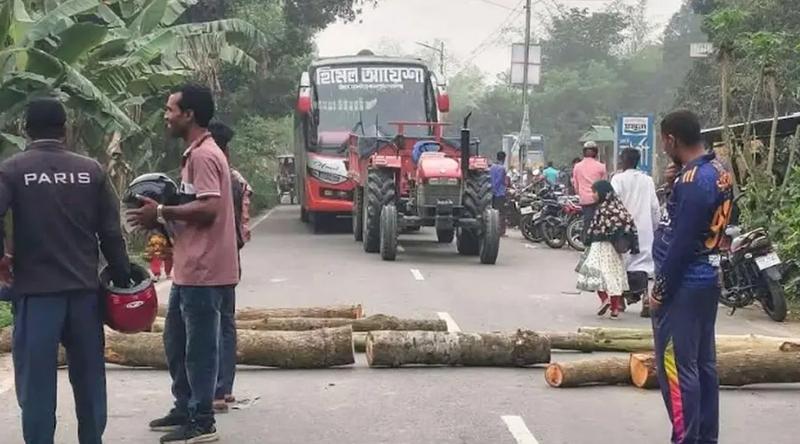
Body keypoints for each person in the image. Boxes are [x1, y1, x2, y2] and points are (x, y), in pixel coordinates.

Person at [0, 98, 131, 444]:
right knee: (89, 381)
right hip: (85, 294)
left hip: (36, 295)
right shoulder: (91, 170)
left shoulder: (12, 170)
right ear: (65, 129)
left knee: (37, 385)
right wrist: (121, 276)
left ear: (26, 130)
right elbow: (112, 232)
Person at [128, 84, 239, 443]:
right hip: (190, 269)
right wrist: (164, 219)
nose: (166, 114)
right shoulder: (195, 153)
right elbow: (195, 208)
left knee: (199, 349)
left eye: (170, 108)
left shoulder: (205, 155)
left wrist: (160, 210)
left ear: (188, 114)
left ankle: (202, 420)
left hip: (205, 272)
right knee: (175, 342)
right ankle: (185, 405)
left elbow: (209, 207)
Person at [651, 110, 733, 444]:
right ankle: (706, 438)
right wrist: (673, 184)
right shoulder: (718, 170)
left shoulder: (692, 181)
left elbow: (681, 243)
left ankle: (686, 439)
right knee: (703, 365)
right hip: (708, 276)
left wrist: (660, 289)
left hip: (685, 282)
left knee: (677, 368)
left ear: (671, 139)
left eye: (663, 142)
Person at [208, 121, 253, 413]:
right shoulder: (237, 179)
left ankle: (214, 391)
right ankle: (226, 389)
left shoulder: (213, 174)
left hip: (210, 259)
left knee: (208, 325)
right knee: (226, 322)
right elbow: (244, 228)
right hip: (231, 258)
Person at [576, 180, 638, 319]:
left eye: (594, 192)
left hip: (600, 246)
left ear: (602, 193)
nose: (593, 195)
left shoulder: (602, 209)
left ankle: (605, 299)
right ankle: (615, 309)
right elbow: (628, 223)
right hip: (614, 249)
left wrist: (588, 239)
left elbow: (594, 228)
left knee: (596, 273)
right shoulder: (619, 208)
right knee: (613, 276)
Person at [611, 148, 660, 318]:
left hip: (624, 228)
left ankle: (620, 301)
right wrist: (655, 226)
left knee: (621, 263)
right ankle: (646, 297)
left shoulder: (617, 179)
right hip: (644, 228)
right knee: (645, 266)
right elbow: (655, 207)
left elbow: (613, 203)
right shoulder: (647, 180)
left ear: (623, 161)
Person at [572, 141, 608, 241]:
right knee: (598, 223)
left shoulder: (577, 166)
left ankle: (586, 243)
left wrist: (580, 193)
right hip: (598, 199)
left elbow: (575, 184)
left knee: (587, 222)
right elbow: (604, 184)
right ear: (596, 152)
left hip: (585, 200)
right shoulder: (601, 166)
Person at [490, 151, 509, 236]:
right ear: (504, 158)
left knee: (493, 212)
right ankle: (500, 231)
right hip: (500, 193)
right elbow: (501, 180)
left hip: (491, 193)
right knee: (501, 213)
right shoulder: (502, 168)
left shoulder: (492, 167)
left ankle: (493, 230)